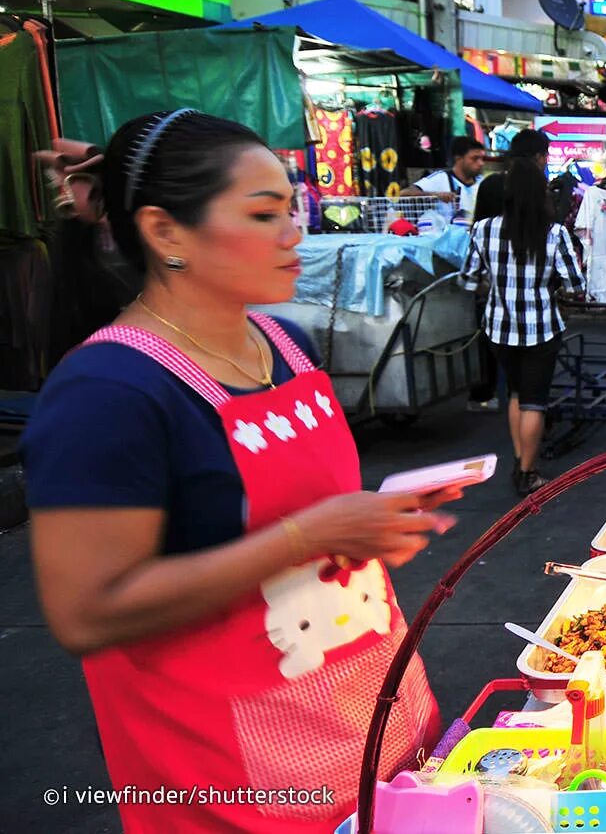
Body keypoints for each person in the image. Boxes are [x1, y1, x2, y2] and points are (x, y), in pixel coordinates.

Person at [21, 110, 452, 832]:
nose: (296, 235)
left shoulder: (286, 341)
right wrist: (306, 535)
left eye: (292, 209)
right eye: (264, 214)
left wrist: (364, 528)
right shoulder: (108, 391)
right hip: (242, 787)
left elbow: (293, 517)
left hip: (379, 729)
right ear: (164, 233)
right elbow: (86, 611)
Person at [462, 128, 584, 495]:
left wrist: (497, 287)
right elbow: (576, 287)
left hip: (498, 329)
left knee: (515, 394)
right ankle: (528, 472)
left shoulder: (483, 230)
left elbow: (468, 282)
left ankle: (520, 460)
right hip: (542, 329)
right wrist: (553, 288)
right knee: (535, 400)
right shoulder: (554, 234)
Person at [403, 135, 487, 225]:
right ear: (458, 158)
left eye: (482, 159)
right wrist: (435, 195)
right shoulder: (441, 178)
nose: (481, 163)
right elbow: (404, 193)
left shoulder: (484, 182)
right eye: (475, 158)